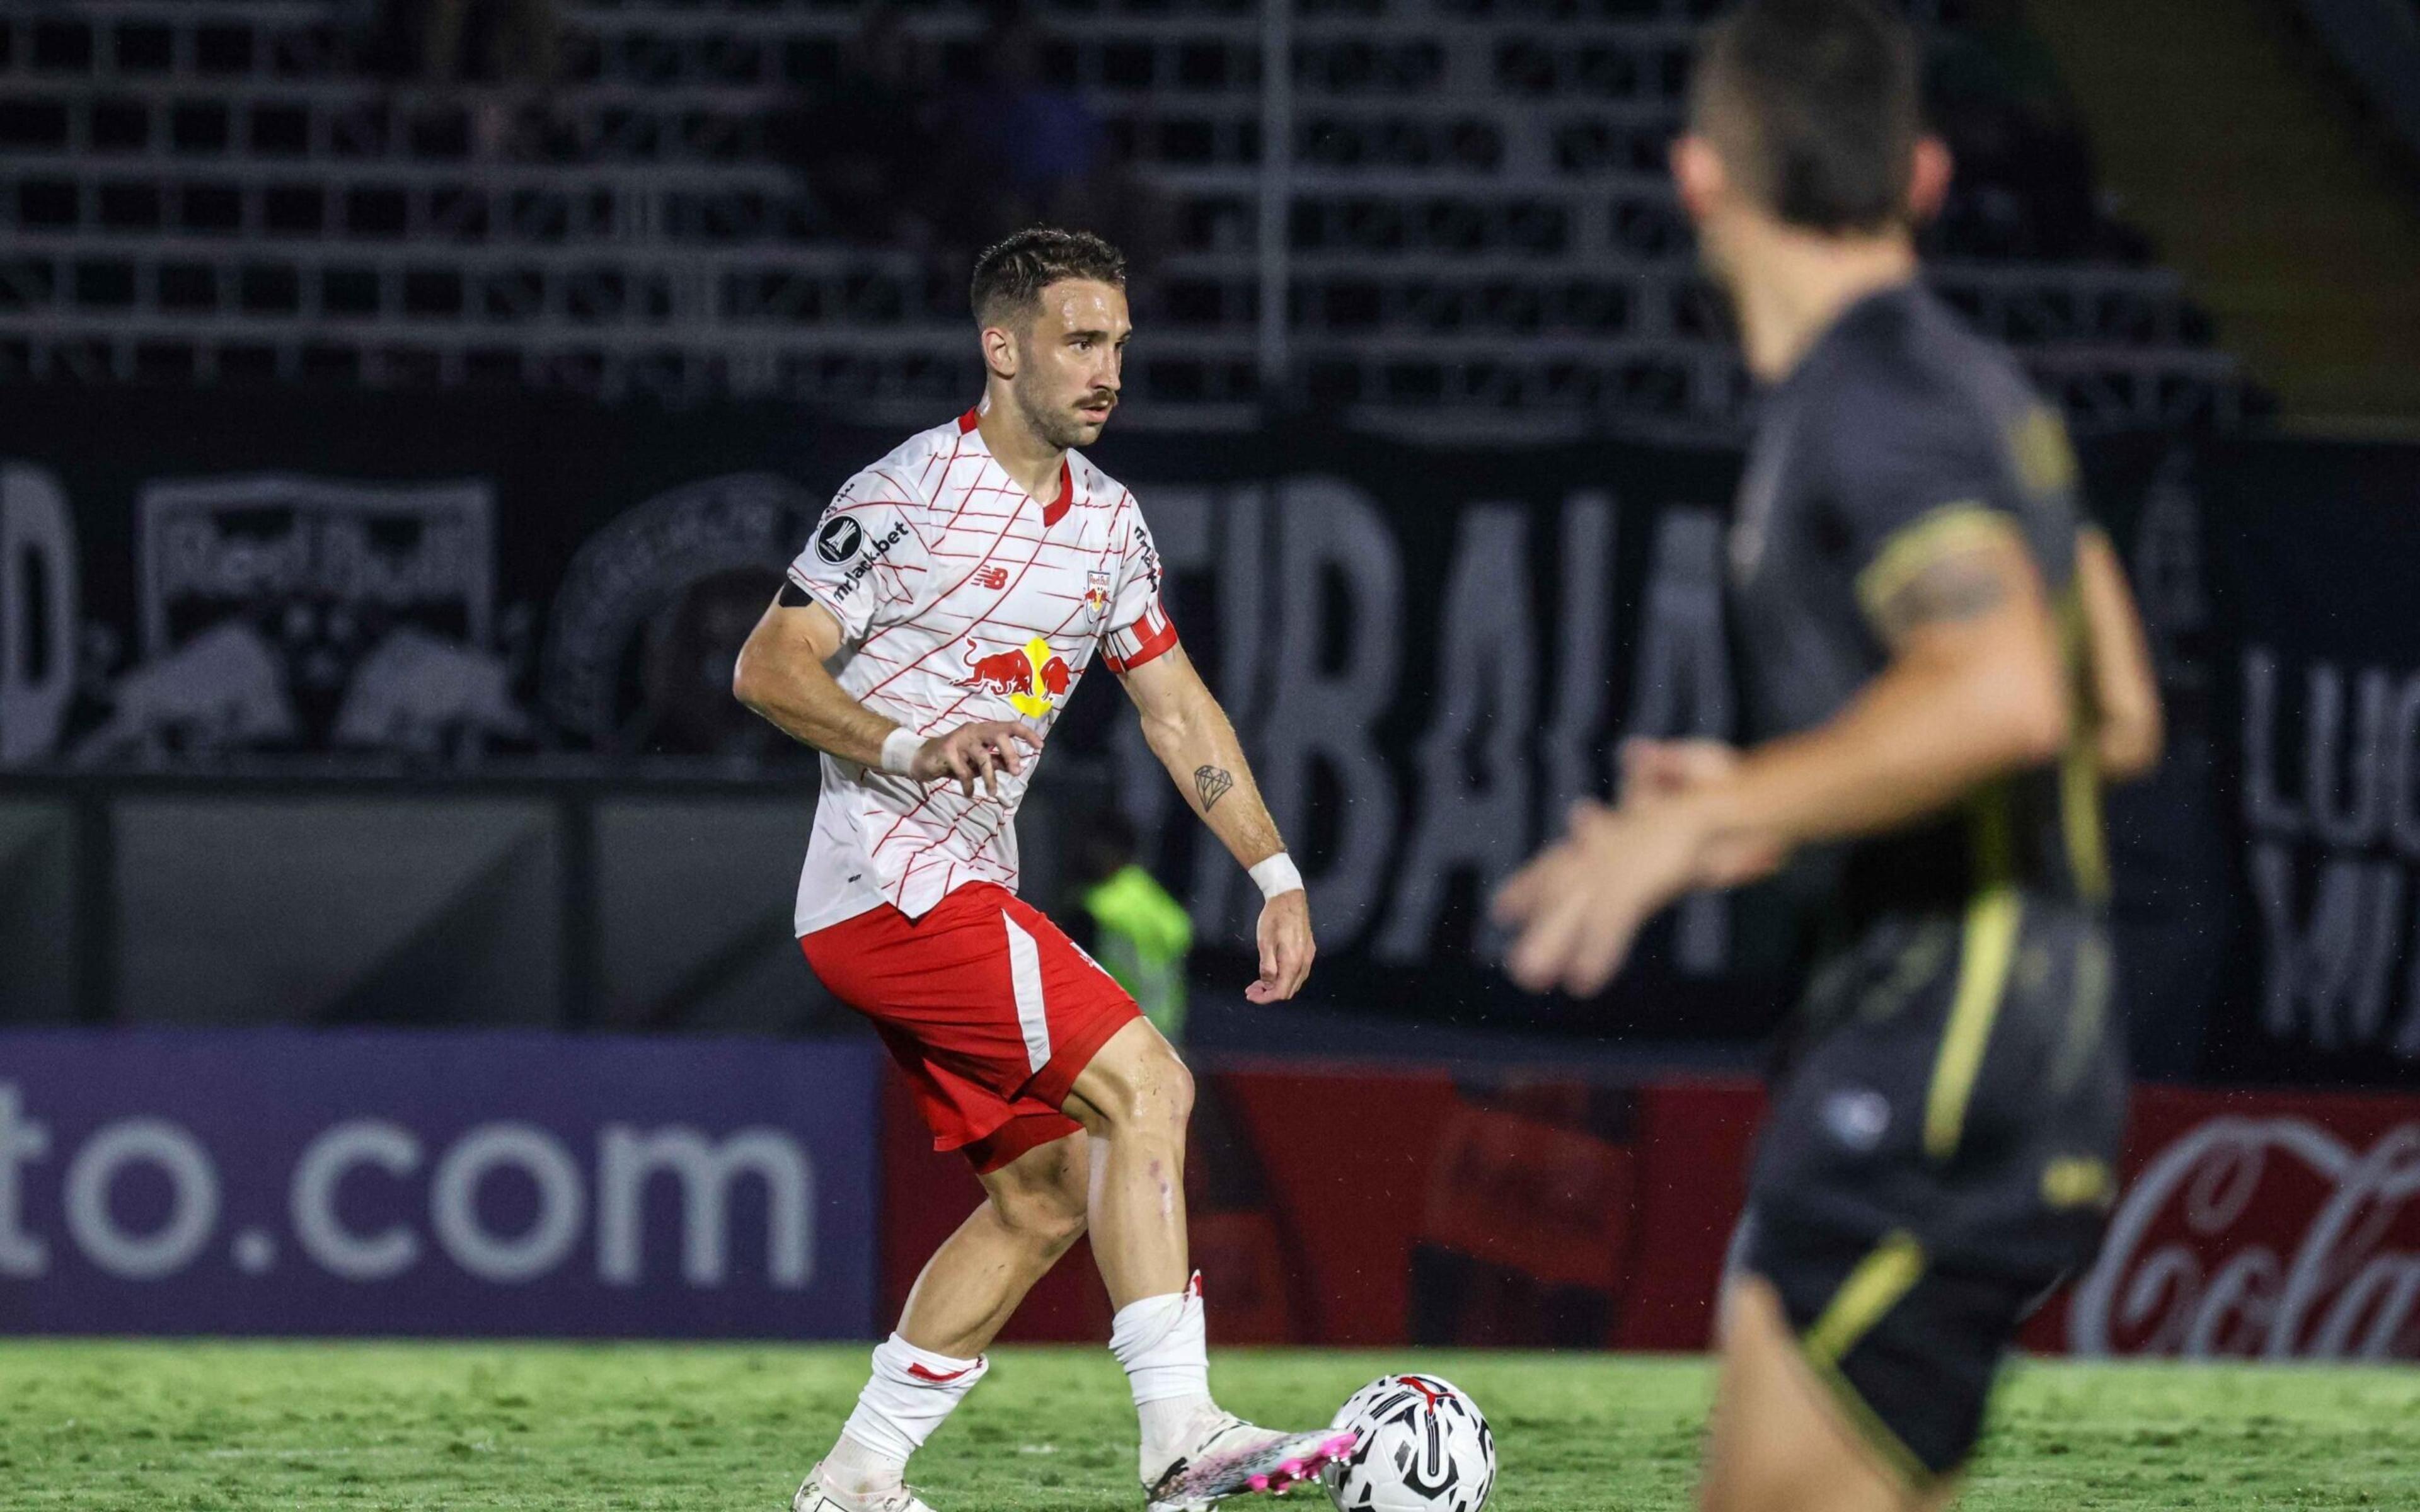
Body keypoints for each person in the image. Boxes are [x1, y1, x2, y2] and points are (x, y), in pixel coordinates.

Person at [1492, 4, 2163, 1511]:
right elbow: (2116, 700)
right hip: (2014, 1053)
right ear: (1920, 176)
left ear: (1697, 180)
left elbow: (2003, 693)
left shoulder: (1865, 407)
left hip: (1932, 1055)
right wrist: (1787, 810)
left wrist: (1723, 804)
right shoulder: (1983, 390)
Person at [732, 226, 1349, 1512]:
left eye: (1119, 342)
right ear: (1001, 349)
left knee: (1047, 1196)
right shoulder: (903, 494)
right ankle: (1181, 1434)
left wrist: (1276, 870)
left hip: (957, 890)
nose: (1108, 367)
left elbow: (1177, 712)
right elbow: (768, 668)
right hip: (891, 885)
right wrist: (914, 740)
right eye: (1081, 340)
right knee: (1151, 1085)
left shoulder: (1112, 527)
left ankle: (856, 1479)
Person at [1064, 809, 1195, 1043]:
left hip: (1112, 1030)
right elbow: (1182, 935)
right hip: (1164, 1030)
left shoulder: (1098, 907)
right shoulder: (1152, 896)